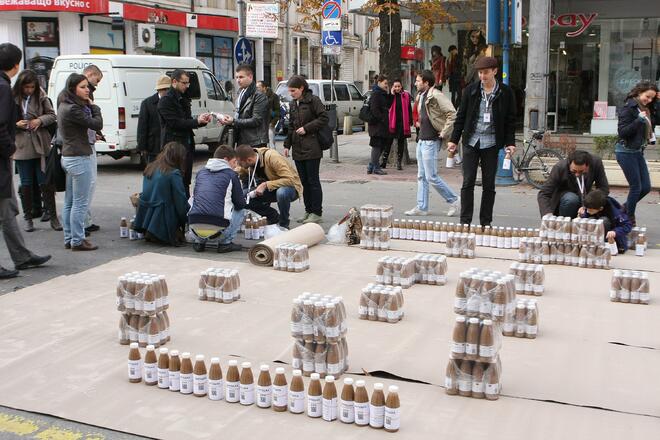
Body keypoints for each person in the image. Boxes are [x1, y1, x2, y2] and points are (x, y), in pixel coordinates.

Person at [0, 43, 51, 278]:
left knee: (8, 208)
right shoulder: (2, 87)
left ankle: (21, 256)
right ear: (16, 65)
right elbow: (1, 125)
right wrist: (9, 148)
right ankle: (21, 256)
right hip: (2, 158)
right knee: (5, 208)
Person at [448, 57, 516, 226]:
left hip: (492, 143)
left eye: (486, 72)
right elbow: (461, 117)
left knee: (489, 185)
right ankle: (465, 222)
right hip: (471, 141)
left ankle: (486, 222)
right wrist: (454, 140)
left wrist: (510, 143)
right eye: (480, 73)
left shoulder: (506, 92)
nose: (482, 76)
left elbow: (510, 120)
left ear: (495, 71)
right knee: (468, 182)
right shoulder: (470, 91)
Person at [58, 73, 104, 251]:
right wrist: (94, 106)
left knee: (70, 201)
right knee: (80, 202)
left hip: (69, 156)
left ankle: (70, 238)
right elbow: (96, 124)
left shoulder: (64, 105)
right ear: (72, 89)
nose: (87, 90)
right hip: (78, 157)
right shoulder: (73, 109)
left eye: (87, 87)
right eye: (83, 87)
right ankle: (77, 240)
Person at [404, 70, 460, 217]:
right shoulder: (421, 96)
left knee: (431, 176)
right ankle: (422, 207)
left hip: (431, 141)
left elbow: (452, 113)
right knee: (421, 176)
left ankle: (454, 199)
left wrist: (444, 132)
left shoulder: (436, 95)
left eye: (418, 81)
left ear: (426, 83)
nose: (415, 83)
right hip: (422, 140)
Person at [12, 69, 61, 232]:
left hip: (40, 143)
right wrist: (16, 124)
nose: (29, 90)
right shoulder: (12, 97)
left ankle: (53, 216)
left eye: (32, 87)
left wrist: (38, 120)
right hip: (21, 144)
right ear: (20, 86)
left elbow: (52, 115)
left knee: (45, 181)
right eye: (26, 87)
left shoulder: (40, 95)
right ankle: (28, 218)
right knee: (25, 182)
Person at [283, 75, 328, 224]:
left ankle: (317, 212)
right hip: (298, 148)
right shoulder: (293, 104)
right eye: (290, 91)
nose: (291, 93)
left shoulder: (313, 100)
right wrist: (286, 145)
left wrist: (307, 128)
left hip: (312, 146)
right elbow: (291, 125)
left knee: (313, 181)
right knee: (304, 182)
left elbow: (324, 118)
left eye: (293, 90)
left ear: (302, 88)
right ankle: (308, 211)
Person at [158, 69, 212, 194]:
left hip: (186, 145)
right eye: (184, 83)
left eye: (188, 83)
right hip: (173, 148)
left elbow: (186, 121)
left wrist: (201, 121)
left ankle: (185, 207)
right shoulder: (165, 101)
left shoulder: (183, 98)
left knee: (186, 181)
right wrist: (196, 121)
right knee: (176, 182)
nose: (187, 86)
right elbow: (175, 123)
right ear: (174, 82)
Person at [188, 145, 246, 253]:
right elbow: (240, 204)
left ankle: (199, 242)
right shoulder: (231, 175)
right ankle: (225, 244)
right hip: (218, 232)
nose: (235, 166)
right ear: (225, 160)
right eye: (234, 162)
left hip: (194, 228)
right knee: (241, 209)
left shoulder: (200, 173)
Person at [615, 81, 657, 226]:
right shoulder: (629, 108)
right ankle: (629, 217)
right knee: (636, 187)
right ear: (640, 92)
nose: (649, 100)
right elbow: (623, 132)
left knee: (645, 187)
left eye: (652, 98)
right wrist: (639, 121)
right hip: (625, 151)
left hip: (637, 152)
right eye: (647, 96)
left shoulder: (646, 108)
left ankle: (624, 208)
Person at [134, 142, 189, 246]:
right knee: (180, 204)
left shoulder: (150, 167)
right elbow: (180, 202)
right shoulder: (173, 173)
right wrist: (188, 218)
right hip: (163, 218)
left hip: (145, 217)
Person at [235, 144, 302, 229]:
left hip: (290, 187)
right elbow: (238, 171)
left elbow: (290, 180)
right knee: (242, 197)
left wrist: (266, 185)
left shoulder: (273, 157)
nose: (239, 165)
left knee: (281, 193)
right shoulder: (249, 161)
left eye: (240, 163)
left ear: (249, 160)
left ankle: (283, 224)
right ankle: (273, 217)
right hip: (270, 188)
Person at [537, 150, 609, 218]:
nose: (577, 174)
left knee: (604, 200)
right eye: (574, 171)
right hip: (565, 199)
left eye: (581, 172)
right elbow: (543, 194)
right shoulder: (560, 167)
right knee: (571, 199)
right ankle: (564, 224)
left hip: (585, 196)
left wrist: (590, 205)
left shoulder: (596, 163)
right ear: (569, 164)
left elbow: (603, 188)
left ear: (588, 166)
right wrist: (547, 214)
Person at [218, 64, 269, 148]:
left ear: (250, 77)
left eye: (241, 77)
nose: (238, 80)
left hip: (255, 142)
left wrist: (233, 121)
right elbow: (239, 116)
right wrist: (228, 121)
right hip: (241, 140)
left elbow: (256, 120)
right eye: (237, 77)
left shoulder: (259, 96)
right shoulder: (240, 93)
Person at [82, 64, 103, 234]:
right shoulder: (80, 97)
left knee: (90, 184)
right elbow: (89, 119)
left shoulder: (89, 93)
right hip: (82, 146)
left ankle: (85, 220)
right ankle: (81, 222)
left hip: (88, 141)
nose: (97, 84)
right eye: (97, 79)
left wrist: (95, 132)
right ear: (90, 74)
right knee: (86, 184)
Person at [137, 75, 171, 164]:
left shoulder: (174, 102)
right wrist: (142, 147)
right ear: (159, 90)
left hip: (170, 146)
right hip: (153, 146)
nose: (167, 92)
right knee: (153, 172)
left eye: (168, 89)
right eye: (164, 89)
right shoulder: (147, 103)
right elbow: (142, 126)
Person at [381, 79, 413, 170]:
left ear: (401, 86)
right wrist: (391, 94)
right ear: (393, 87)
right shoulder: (390, 96)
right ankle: (384, 161)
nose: (397, 88)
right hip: (392, 122)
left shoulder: (406, 95)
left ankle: (399, 162)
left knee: (401, 143)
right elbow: (387, 106)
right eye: (395, 86)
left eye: (399, 86)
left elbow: (409, 108)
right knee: (388, 142)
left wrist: (410, 120)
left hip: (402, 123)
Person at [367, 74, 392, 175]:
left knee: (380, 145)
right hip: (377, 125)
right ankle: (375, 167)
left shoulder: (382, 93)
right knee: (377, 145)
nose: (386, 85)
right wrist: (382, 118)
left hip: (381, 125)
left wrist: (391, 94)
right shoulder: (376, 93)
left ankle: (371, 166)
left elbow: (388, 105)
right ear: (379, 82)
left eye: (387, 83)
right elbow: (374, 109)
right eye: (385, 83)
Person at [257, 80, 280, 149]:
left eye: (258, 87)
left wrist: (273, 123)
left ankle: (272, 157)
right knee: (261, 143)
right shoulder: (257, 97)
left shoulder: (274, 96)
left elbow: (277, 111)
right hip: (260, 123)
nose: (257, 89)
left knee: (271, 143)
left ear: (264, 87)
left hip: (269, 123)